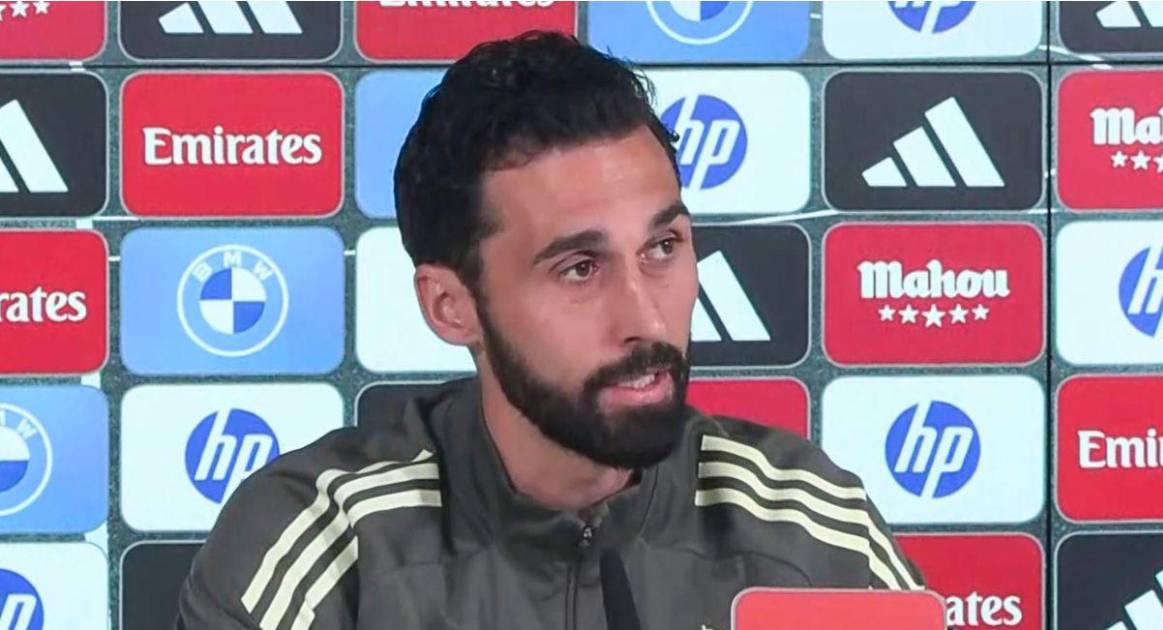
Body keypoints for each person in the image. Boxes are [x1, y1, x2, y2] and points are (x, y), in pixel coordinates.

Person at [176, 31, 922, 630]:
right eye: (579, 269)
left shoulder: (811, 530)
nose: (645, 318)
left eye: (663, 247)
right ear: (450, 306)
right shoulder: (324, 545)